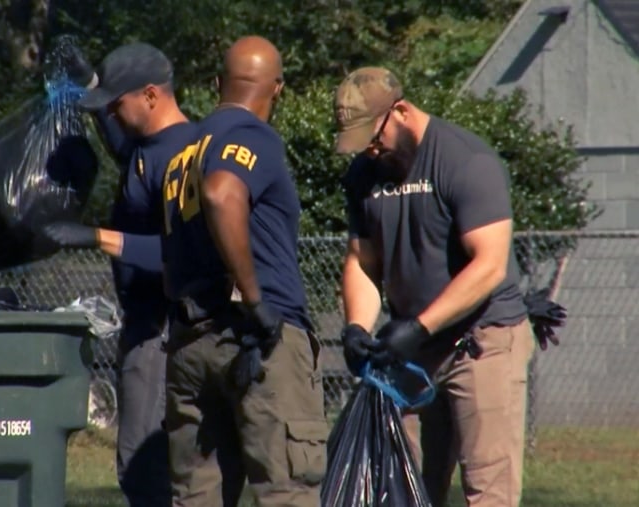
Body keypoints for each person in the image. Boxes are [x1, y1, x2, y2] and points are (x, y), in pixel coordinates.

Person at [334, 66, 543, 507]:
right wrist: (356, 326)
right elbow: (362, 262)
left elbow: (488, 266)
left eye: (375, 139)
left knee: (487, 489)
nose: (370, 153)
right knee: (402, 485)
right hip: (414, 350)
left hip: (482, 341)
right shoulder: (363, 175)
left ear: (401, 112)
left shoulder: (465, 160)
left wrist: (419, 326)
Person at [161, 35, 327, 507]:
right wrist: (255, 301)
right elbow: (221, 193)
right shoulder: (252, 134)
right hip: (257, 339)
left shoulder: (183, 152)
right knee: (287, 490)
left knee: (197, 494)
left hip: (192, 341)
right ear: (278, 89)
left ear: (217, 84)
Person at [42, 42, 196, 507]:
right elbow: (124, 146)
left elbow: (183, 256)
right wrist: (91, 84)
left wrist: (96, 237)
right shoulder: (148, 146)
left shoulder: (184, 156)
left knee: (142, 465)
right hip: (143, 323)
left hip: (164, 329)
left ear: (150, 96)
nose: (112, 113)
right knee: (143, 465)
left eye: (117, 103)